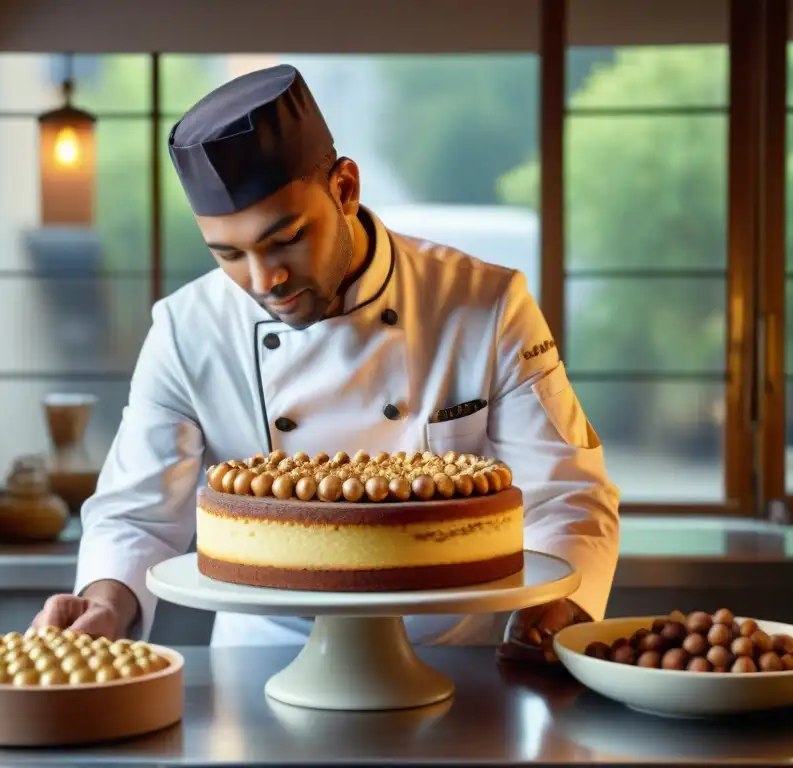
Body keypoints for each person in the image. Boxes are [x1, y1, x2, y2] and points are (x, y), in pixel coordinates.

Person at [32, 64, 620, 661]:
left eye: (285, 239)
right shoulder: (186, 331)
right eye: (229, 254)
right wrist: (105, 599)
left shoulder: (487, 304)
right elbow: (137, 513)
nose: (264, 280)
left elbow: (564, 492)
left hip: (450, 660)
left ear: (345, 189)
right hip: (258, 662)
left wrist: (560, 611)